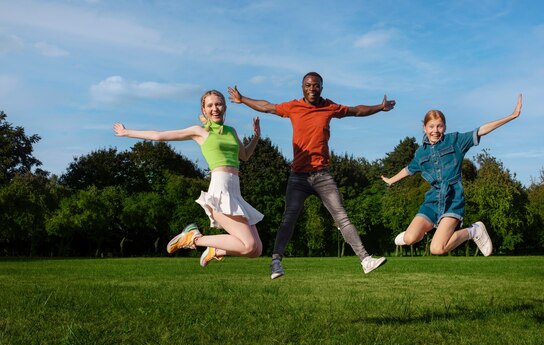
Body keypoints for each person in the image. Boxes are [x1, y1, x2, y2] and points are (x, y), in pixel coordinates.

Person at [228, 72, 395, 279]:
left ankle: (365, 259)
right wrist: (242, 99)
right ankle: (276, 263)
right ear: (302, 87)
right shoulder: (293, 107)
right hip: (298, 177)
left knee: (341, 216)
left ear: (321, 88)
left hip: (322, 176)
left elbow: (356, 111)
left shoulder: (329, 107)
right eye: (308, 85)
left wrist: (380, 107)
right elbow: (267, 106)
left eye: (316, 85)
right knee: (289, 219)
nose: (312, 88)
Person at [113, 89, 263, 266]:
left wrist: (256, 137)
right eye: (210, 105)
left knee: (256, 250)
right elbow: (159, 136)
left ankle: (216, 249)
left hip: (235, 192)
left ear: (225, 107)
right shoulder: (199, 132)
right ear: (204, 110)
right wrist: (127, 132)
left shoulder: (231, 131)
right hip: (220, 192)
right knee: (248, 245)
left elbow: (244, 155)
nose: (215, 108)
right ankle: (193, 238)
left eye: (218, 104)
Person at [382, 94, 523, 257]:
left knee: (437, 249)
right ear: (425, 128)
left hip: (452, 199)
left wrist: (511, 116)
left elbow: (481, 130)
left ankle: (473, 231)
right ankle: (412, 236)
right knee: (410, 237)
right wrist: (391, 180)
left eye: (439, 126)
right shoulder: (421, 153)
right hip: (432, 200)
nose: (435, 131)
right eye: (431, 126)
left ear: (445, 127)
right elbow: (409, 169)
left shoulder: (455, 141)